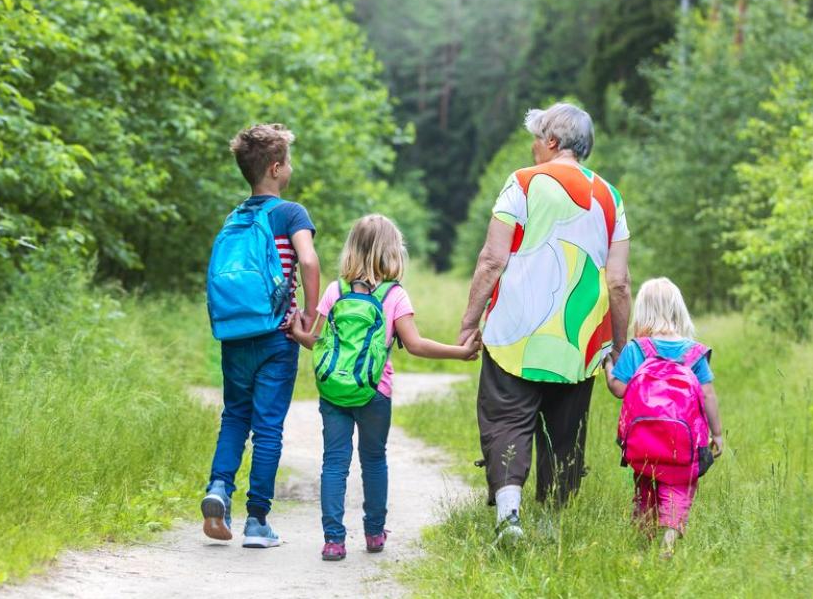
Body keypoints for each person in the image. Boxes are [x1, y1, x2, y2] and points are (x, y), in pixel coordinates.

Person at [457, 102, 632, 545]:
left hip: (515, 331)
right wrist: (618, 345)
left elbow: (492, 259)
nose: (533, 147)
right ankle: (554, 523)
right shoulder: (610, 197)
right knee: (565, 432)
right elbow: (619, 282)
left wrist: (469, 322)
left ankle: (510, 516)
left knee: (506, 418)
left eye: (537, 138)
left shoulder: (522, 182)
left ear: (552, 142)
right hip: (579, 337)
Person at [290, 214, 480, 561]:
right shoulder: (394, 295)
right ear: (393, 252)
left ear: (351, 249)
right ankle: (374, 533)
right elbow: (416, 344)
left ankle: (333, 540)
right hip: (376, 391)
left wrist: (298, 332)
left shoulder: (335, 290)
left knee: (334, 463)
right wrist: (461, 352)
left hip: (333, 390)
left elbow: (317, 342)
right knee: (374, 459)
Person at [200, 123, 320, 548]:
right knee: (268, 427)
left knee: (235, 415)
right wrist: (308, 316)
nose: (290, 168)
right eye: (288, 161)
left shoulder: (234, 217)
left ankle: (218, 489)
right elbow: (308, 261)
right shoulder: (290, 213)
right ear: (275, 168)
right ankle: (257, 522)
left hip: (235, 333)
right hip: (277, 336)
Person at [605, 278, 723, 557]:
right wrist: (717, 433)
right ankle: (669, 538)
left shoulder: (637, 349)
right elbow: (707, 394)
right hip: (684, 440)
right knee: (680, 484)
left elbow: (619, 389)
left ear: (643, 311)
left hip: (643, 438)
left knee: (645, 481)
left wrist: (609, 367)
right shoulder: (694, 352)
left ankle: (643, 541)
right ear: (678, 310)